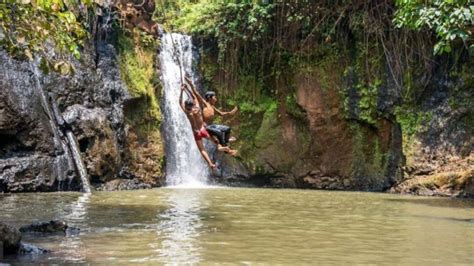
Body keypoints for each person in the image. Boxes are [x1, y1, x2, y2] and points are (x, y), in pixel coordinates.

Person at [184, 76, 238, 150]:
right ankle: (221, 145)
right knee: (219, 133)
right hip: (206, 127)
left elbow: (221, 114)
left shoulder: (212, 107)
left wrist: (230, 112)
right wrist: (190, 84)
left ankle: (225, 141)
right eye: (214, 97)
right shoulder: (204, 104)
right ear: (209, 98)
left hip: (212, 126)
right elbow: (196, 93)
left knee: (227, 129)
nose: (216, 99)